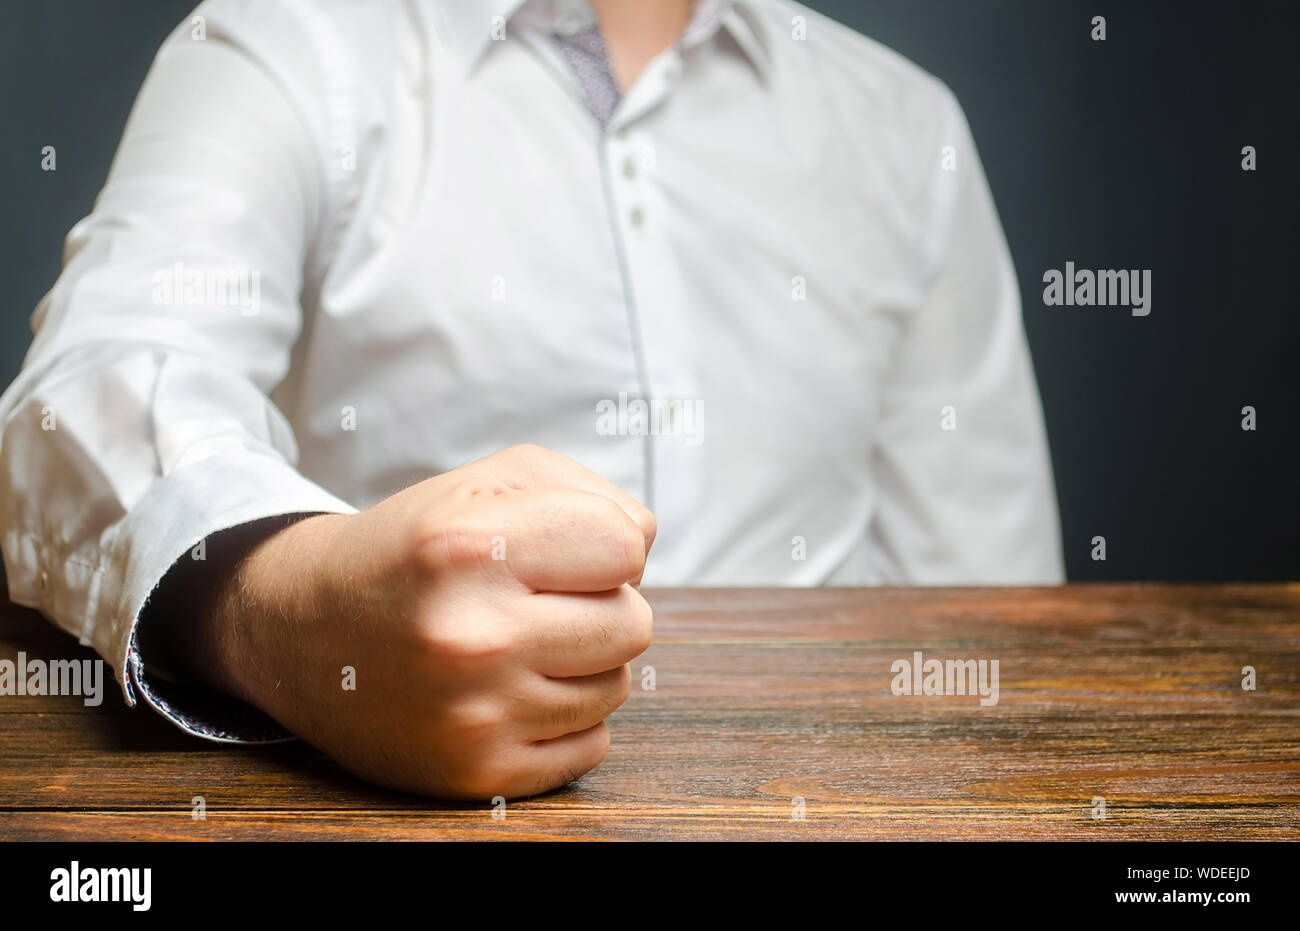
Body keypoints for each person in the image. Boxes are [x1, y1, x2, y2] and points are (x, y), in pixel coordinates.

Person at [0, 0, 1063, 798]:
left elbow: (989, 608)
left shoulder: (904, 126)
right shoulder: (289, 44)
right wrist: (291, 606)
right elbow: (93, 387)